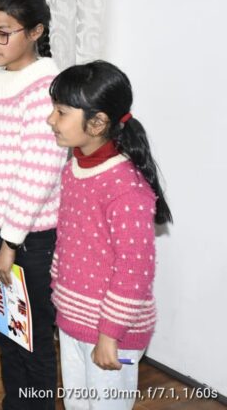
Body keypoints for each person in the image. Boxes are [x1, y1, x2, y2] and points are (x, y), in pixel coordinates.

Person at [0, 0, 68, 409]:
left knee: (34, 338)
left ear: (36, 31)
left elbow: (37, 174)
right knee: (7, 331)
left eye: (3, 33)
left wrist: (10, 244)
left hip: (31, 239)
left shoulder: (47, 89)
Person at [47, 61, 172, 409]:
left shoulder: (125, 188)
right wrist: (59, 298)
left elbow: (135, 272)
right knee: (76, 403)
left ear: (98, 122)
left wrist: (109, 335)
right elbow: (69, 241)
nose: (51, 120)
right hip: (73, 320)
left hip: (113, 334)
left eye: (61, 112)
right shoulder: (73, 167)